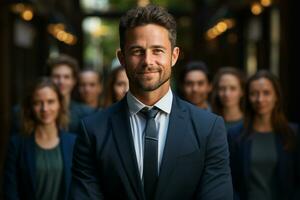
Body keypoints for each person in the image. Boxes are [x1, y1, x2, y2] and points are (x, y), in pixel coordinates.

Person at [70, 4, 232, 200]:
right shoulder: (92, 130)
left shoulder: (209, 128)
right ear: (122, 58)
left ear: (174, 56)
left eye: (157, 50)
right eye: (137, 51)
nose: (148, 61)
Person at [228, 70, 299, 200]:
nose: (260, 99)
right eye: (254, 94)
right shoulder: (234, 135)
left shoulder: (292, 134)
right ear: (247, 97)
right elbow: (230, 181)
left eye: (266, 93)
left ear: (276, 96)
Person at [3, 77, 76, 200]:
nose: (45, 109)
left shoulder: (74, 142)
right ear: (30, 107)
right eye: (38, 103)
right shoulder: (16, 144)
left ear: (60, 104)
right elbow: (10, 190)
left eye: (50, 101)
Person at [47, 54, 94, 134]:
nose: (61, 81)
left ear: (74, 81)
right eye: (56, 76)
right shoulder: (37, 111)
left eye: (66, 77)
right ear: (48, 79)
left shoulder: (87, 113)